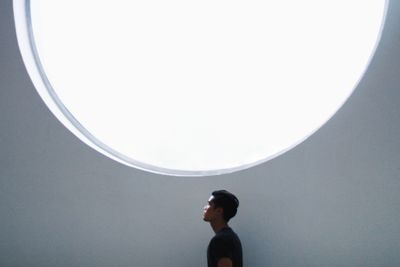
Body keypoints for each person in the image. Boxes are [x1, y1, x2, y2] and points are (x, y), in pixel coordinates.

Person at [203, 190, 243, 267]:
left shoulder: (220, 241)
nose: (205, 207)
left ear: (219, 211)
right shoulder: (231, 237)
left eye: (209, 204)